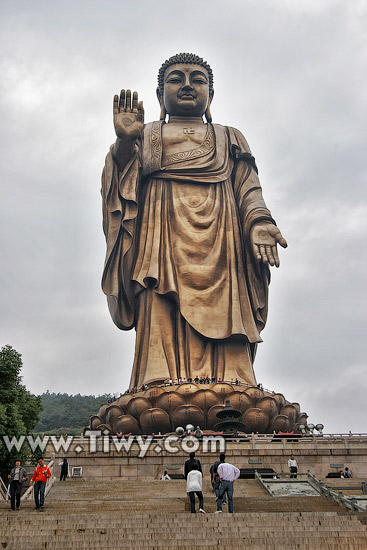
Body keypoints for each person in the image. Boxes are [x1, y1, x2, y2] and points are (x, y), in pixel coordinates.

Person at [101, 52, 287, 390]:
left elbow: (248, 188)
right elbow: (121, 187)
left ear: (211, 95)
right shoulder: (147, 134)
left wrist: (260, 223)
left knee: (230, 308)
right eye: (176, 79)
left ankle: (235, 384)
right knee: (156, 291)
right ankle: (156, 382)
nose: (187, 85)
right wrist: (126, 142)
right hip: (161, 237)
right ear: (160, 95)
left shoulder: (229, 136)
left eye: (197, 80)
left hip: (223, 242)